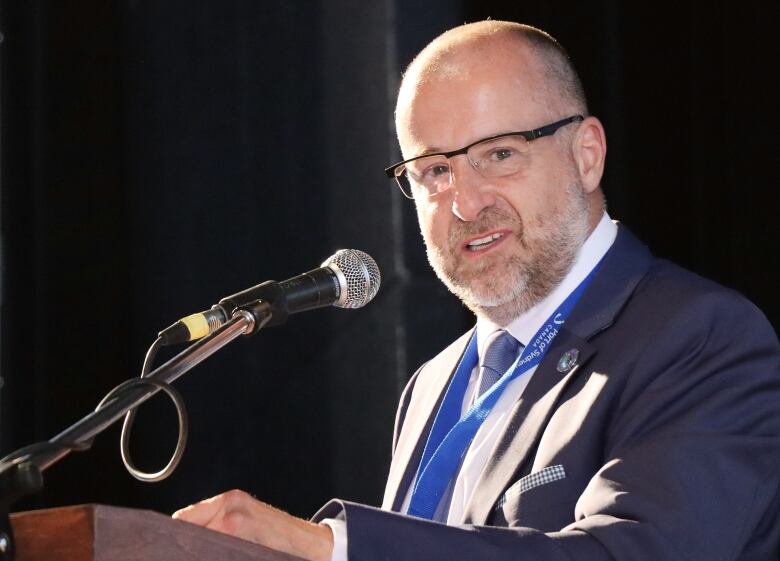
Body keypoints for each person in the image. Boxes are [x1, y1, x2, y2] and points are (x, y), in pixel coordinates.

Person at [172, 21, 780, 561]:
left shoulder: (699, 337)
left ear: (587, 155)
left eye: (499, 154)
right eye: (435, 170)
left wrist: (336, 548)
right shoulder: (433, 383)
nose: (465, 203)